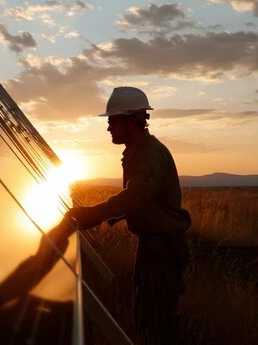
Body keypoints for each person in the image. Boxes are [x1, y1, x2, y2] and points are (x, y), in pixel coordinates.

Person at [66, 87, 191, 344]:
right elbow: (146, 198)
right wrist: (118, 215)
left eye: (112, 121)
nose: (109, 128)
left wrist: (93, 214)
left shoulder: (147, 154)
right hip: (157, 248)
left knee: (153, 324)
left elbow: (136, 195)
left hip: (162, 252)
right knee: (150, 317)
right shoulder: (141, 150)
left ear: (131, 120)